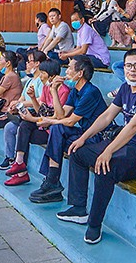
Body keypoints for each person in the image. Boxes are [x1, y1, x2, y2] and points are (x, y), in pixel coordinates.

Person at [59, 49, 136, 244]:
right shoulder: (125, 88)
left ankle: (94, 225)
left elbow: (134, 126)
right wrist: (83, 137)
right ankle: (78, 208)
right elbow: (107, 116)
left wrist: (107, 151)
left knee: (104, 167)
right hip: (123, 146)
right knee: (77, 153)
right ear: (123, 68)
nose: (132, 70)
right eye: (128, 65)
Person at [29, 57, 108, 204]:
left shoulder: (90, 92)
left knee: (57, 131)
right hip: (84, 133)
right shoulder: (75, 91)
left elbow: (71, 121)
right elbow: (61, 115)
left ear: (80, 73)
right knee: (57, 130)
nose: (67, 71)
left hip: (97, 137)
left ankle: (52, 181)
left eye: (71, 68)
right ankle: (52, 181)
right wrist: (53, 90)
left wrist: (49, 121)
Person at [2, 57, 63, 187]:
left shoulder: (63, 91)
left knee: (24, 129)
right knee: (23, 127)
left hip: (53, 131)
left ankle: (21, 171)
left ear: (52, 75)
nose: (40, 76)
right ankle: (19, 165)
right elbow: (41, 111)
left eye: (43, 74)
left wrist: (33, 119)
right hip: (43, 125)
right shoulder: (46, 88)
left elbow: (58, 117)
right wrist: (32, 98)